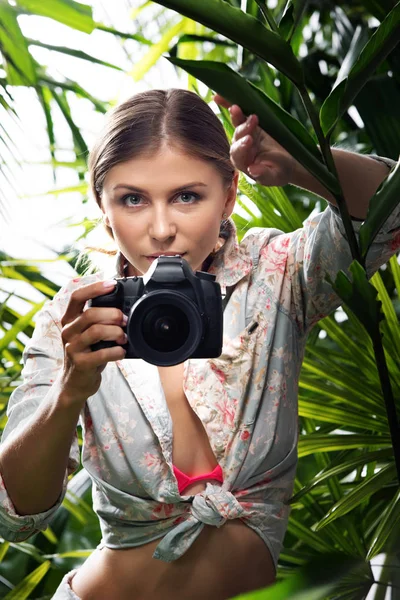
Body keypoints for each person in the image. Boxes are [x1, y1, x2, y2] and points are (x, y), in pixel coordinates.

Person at [0, 88, 398, 600]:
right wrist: (69, 390)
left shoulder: (273, 277)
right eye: (133, 199)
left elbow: (392, 211)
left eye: (187, 195)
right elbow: (16, 515)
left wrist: (303, 162)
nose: (162, 229)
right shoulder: (76, 315)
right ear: (103, 206)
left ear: (229, 193)